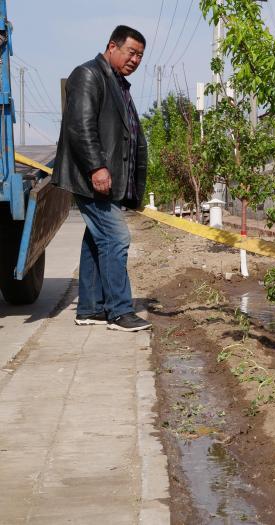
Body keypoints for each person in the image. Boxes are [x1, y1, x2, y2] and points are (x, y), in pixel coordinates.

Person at [52, 25, 150, 331]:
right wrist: (97, 167)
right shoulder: (89, 75)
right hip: (92, 177)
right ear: (112, 46)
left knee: (97, 241)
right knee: (117, 238)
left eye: (140, 56)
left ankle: (90, 307)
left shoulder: (118, 84)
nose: (135, 59)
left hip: (107, 180)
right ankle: (120, 311)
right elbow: (79, 126)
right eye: (131, 52)